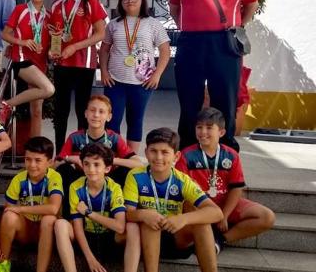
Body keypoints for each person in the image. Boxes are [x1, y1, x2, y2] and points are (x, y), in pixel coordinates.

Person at [169, 0, 259, 151]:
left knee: (225, 100)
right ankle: (188, 150)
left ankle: (225, 151)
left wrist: (237, 26)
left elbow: (251, 4)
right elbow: (175, 7)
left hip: (225, 43)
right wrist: (190, 27)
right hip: (191, 43)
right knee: (189, 100)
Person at [176, 107, 275, 253]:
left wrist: (225, 215)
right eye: (199, 127)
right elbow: (182, 194)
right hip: (199, 205)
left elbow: (236, 188)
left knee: (267, 217)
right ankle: (203, 237)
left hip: (224, 203)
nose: (203, 132)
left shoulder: (231, 155)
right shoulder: (185, 155)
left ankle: (220, 240)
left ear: (221, 132)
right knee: (187, 205)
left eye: (209, 128)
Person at [124, 127, 223, 272]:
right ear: (146, 153)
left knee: (202, 224)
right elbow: (127, 213)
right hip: (145, 240)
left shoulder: (182, 180)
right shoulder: (135, 176)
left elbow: (217, 213)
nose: (158, 157)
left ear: (176, 157)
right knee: (149, 221)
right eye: (153, 151)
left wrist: (184, 219)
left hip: (176, 237)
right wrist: (144, 214)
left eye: (165, 152)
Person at [99, 0, 171, 153]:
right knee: (111, 121)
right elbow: (104, 49)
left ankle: (130, 158)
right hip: (115, 81)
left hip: (142, 83)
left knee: (135, 120)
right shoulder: (114, 24)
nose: (130, 0)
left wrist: (157, 75)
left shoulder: (153, 24)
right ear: (121, 1)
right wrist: (103, 71)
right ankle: (111, 157)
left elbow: (165, 51)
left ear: (142, 0)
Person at [49, 0, 107, 152]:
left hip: (84, 64)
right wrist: (52, 49)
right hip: (61, 64)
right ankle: (60, 152)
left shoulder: (89, 1)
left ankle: (82, 151)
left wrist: (75, 46)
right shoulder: (57, 4)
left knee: (82, 110)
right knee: (60, 111)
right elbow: (55, 34)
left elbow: (101, 33)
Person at [54, 143, 140, 272]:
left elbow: (120, 226)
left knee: (132, 227)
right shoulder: (75, 187)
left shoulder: (114, 188)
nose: (91, 169)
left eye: (96, 164)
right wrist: (90, 259)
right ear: (82, 165)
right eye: (86, 164)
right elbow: (77, 228)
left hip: (110, 237)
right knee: (60, 224)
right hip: (85, 236)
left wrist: (89, 213)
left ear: (107, 168)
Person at [56, 95, 143, 218]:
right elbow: (54, 165)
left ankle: (121, 214)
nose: (96, 115)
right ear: (86, 113)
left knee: (126, 170)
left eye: (101, 112)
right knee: (63, 170)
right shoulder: (75, 137)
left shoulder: (114, 138)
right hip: (82, 179)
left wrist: (110, 160)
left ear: (109, 117)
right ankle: (67, 216)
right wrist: (69, 158)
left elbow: (138, 164)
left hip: (107, 179)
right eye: (92, 110)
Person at [0, 136, 63, 272]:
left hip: (47, 231)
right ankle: (4, 263)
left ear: (50, 162)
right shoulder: (18, 179)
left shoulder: (54, 177)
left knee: (49, 218)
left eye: (38, 160)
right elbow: (6, 212)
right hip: (25, 230)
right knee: (9, 214)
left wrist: (20, 208)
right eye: (28, 159)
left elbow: (53, 208)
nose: (32, 165)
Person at [0, 0, 55, 135]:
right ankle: (6, 105)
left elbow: (51, 42)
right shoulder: (20, 10)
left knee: (36, 111)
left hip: (40, 64)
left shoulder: (49, 16)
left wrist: (52, 51)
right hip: (22, 61)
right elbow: (5, 34)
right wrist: (22, 42)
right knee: (49, 88)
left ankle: (34, 152)